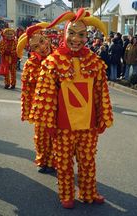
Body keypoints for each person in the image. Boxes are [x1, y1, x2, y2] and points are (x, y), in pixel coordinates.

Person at [29, 8, 113, 209]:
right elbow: (46, 96)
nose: (77, 38)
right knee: (64, 164)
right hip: (63, 126)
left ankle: (88, 192)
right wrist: (48, 124)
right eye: (72, 33)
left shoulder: (94, 61)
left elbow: (101, 93)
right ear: (65, 34)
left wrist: (102, 118)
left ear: (87, 36)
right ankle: (66, 194)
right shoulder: (52, 62)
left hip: (88, 125)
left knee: (87, 162)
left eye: (82, 34)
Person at [16, 22, 55, 173]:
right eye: (35, 47)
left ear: (47, 39)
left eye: (42, 42)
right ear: (31, 50)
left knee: (55, 137)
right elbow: (26, 90)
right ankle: (42, 159)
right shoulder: (30, 64)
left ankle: (52, 161)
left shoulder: (60, 58)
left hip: (58, 107)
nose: (42, 47)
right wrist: (27, 110)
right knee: (40, 136)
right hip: (39, 108)